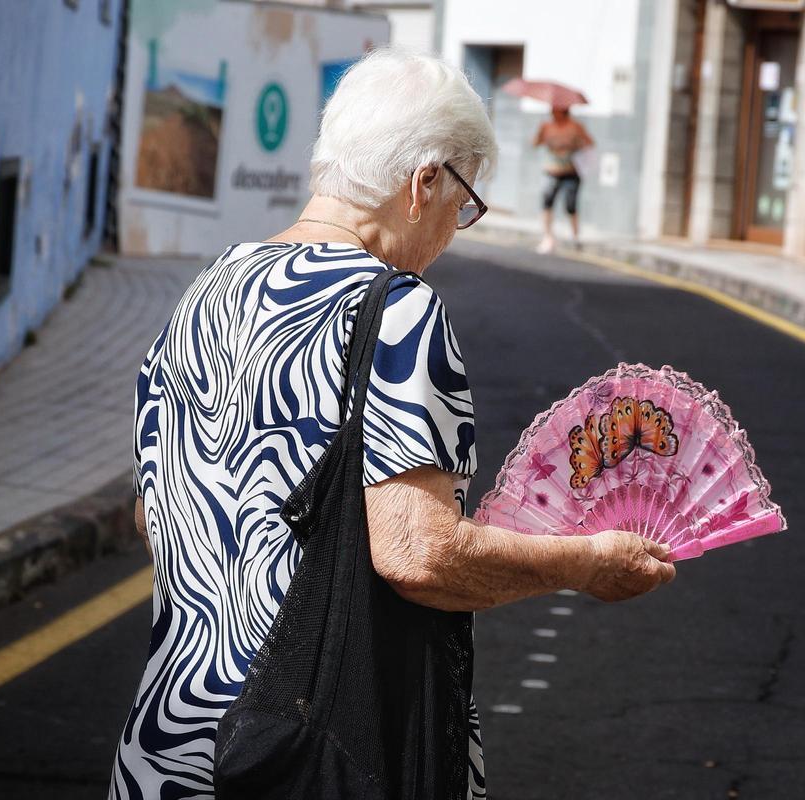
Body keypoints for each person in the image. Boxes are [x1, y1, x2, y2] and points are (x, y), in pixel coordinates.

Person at [110, 49, 674, 799]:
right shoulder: (397, 313)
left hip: (170, 751)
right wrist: (584, 562)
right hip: (314, 760)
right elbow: (420, 555)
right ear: (425, 181)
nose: (458, 227)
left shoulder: (208, 289)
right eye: (464, 202)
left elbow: (156, 516)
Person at [533, 105, 594, 254]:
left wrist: (574, 145)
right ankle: (548, 238)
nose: (553, 111)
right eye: (552, 109)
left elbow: (589, 143)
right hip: (552, 171)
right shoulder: (546, 126)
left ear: (564, 110)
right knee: (547, 203)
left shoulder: (576, 127)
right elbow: (535, 143)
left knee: (571, 205)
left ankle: (575, 237)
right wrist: (540, 133)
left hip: (571, 171)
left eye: (556, 109)